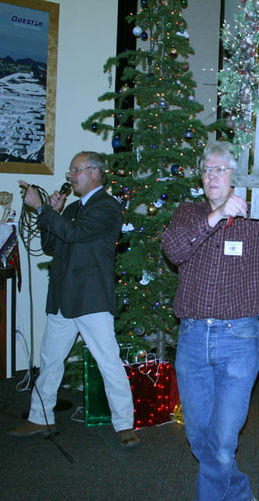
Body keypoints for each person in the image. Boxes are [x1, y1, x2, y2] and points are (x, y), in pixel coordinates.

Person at [161, 117, 259, 501]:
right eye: (206, 170)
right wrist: (217, 216)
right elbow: (173, 249)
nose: (211, 176)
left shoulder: (255, 217)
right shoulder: (189, 213)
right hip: (191, 340)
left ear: (236, 175)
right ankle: (239, 494)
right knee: (199, 439)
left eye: (220, 169)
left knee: (222, 443)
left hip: (238, 339)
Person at [8, 152, 137, 448]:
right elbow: (52, 245)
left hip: (91, 298)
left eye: (75, 170)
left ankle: (124, 424)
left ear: (95, 172)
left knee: (108, 362)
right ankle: (41, 417)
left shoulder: (108, 207)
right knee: (50, 360)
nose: (70, 176)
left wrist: (43, 208)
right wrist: (50, 213)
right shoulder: (72, 208)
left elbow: (76, 234)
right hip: (63, 297)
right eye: (70, 170)